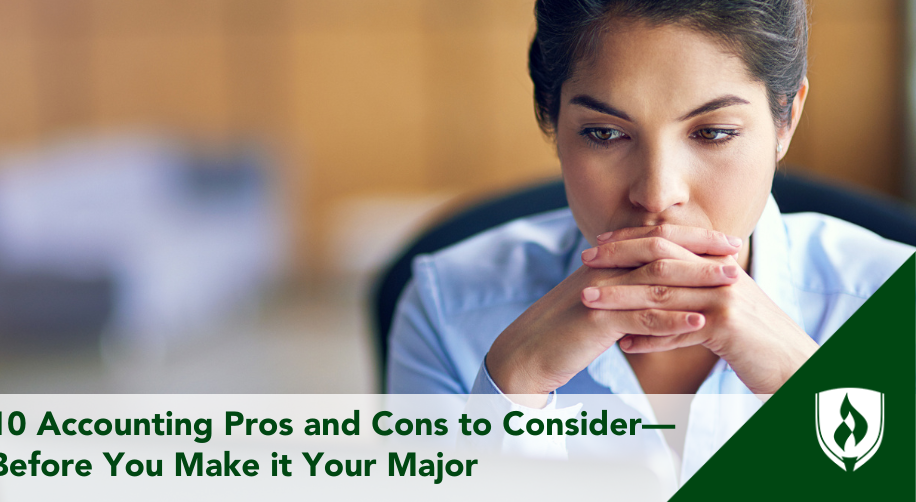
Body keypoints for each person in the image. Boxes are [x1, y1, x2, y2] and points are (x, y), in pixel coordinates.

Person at [386, 0, 914, 485]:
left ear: (786, 118)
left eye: (712, 133)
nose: (658, 194)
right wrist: (509, 394)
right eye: (605, 133)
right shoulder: (447, 307)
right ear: (551, 119)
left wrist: (802, 389)